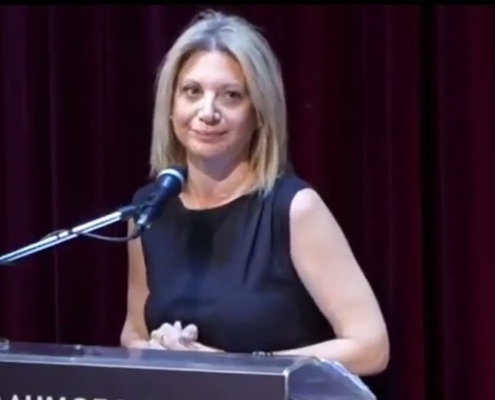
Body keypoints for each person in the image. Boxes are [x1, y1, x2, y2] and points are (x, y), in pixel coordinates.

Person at [120, 9, 389, 376]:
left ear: (258, 113)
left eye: (231, 96)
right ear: (170, 105)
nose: (207, 112)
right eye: (192, 92)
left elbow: (370, 348)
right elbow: (134, 331)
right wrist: (157, 349)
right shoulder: (149, 209)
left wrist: (240, 367)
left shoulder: (294, 209)